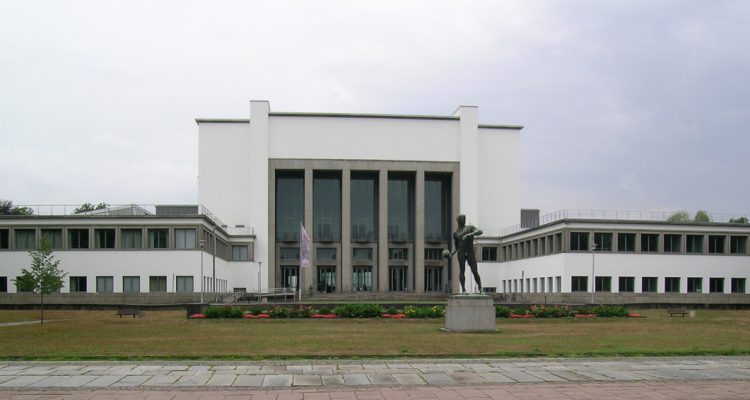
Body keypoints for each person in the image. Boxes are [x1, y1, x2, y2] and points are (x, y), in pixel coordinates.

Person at [449, 214, 483, 294]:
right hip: (461, 252)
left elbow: (480, 231)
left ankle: (480, 288)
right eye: (463, 219)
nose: (464, 220)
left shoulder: (470, 228)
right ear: (459, 221)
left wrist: (470, 234)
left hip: (470, 251)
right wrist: (451, 253)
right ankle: (463, 289)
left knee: (475, 271)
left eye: (465, 219)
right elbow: (456, 246)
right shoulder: (456, 233)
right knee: (462, 270)